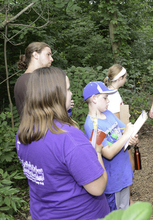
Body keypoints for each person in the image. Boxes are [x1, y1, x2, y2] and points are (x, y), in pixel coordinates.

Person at [16, 67, 109, 220]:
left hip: (43, 213)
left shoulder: (23, 132)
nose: (71, 93)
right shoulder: (69, 138)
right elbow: (98, 187)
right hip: (81, 214)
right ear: (55, 96)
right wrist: (97, 152)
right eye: (67, 89)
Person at [83, 81, 139, 212]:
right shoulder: (92, 125)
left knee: (125, 210)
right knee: (115, 213)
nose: (108, 101)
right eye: (105, 98)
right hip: (112, 182)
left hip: (123, 173)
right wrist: (126, 135)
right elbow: (107, 152)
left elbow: (124, 130)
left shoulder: (108, 114)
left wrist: (132, 137)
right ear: (94, 98)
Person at [15, 42, 54, 118]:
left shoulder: (25, 79)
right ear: (35, 55)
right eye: (48, 54)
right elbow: (41, 113)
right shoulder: (30, 80)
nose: (51, 59)